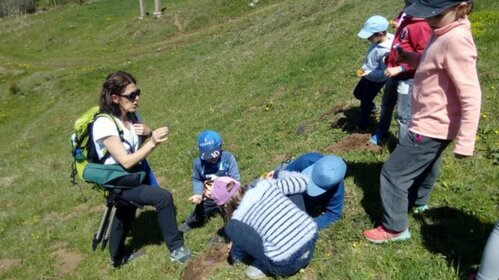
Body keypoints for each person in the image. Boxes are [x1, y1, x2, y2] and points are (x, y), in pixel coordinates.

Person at [363, 0, 481, 243]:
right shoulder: (443, 31)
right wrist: (411, 58)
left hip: (431, 123)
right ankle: (420, 201)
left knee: (392, 173)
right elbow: (434, 61)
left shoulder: (456, 40)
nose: (428, 20)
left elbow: (471, 94)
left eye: (434, 16)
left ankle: (394, 228)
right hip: (436, 122)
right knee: (429, 162)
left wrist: (466, 141)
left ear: (460, 7)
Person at [91, 71, 191, 265]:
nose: (136, 99)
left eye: (138, 93)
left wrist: (148, 132)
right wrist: (152, 142)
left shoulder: (132, 116)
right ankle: (176, 248)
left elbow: (135, 145)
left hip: (133, 176)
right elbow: (126, 161)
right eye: (131, 95)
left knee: (125, 212)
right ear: (115, 98)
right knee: (163, 198)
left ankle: (117, 258)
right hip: (118, 179)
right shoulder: (104, 124)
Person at [211, 173, 318, 279]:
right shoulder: (266, 186)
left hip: (287, 265)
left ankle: (263, 265)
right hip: (310, 244)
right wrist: (279, 174)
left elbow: (241, 254)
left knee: (233, 228)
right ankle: (297, 229)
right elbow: (302, 182)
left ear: (224, 206)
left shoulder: (238, 219)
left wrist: (234, 251)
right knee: (291, 190)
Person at [370, 0, 431, 145]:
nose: (404, 8)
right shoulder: (406, 18)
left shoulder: (421, 26)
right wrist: (389, 59)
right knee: (386, 106)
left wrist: (400, 68)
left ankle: (404, 146)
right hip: (393, 74)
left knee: (403, 115)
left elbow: (424, 56)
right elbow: (400, 44)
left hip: (407, 78)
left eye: (408, 5)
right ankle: (382, 131)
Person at [179, 130, 240, 233]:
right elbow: (197, 179)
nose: (211, 159)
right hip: (209, 197)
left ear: (220, 146)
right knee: (200, 210)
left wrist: (229, 194)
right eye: (208, 156)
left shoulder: (228, 159)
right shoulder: (198, 164)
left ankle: (228, 230)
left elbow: (235, 179)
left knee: (233, 213)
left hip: (227, 197)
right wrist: (198, 194)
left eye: (214, 155)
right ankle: (190, 222)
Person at [269, 153, 347, 231]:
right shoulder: (306, 161)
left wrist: (307, 227)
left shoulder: (337, 191)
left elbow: (333, 215)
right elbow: (281, 178)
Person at [354, 15, 394, 130]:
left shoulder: (387, 52)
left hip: (376, 80)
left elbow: (385, 73)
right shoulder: (378, 40)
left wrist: (367, 72)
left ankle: (363, 125)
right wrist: (366, 72)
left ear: (380, 34)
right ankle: (373, 108)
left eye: (369, 36)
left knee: (365, 101)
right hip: (368, 75)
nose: (368, 39)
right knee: (357, 93)